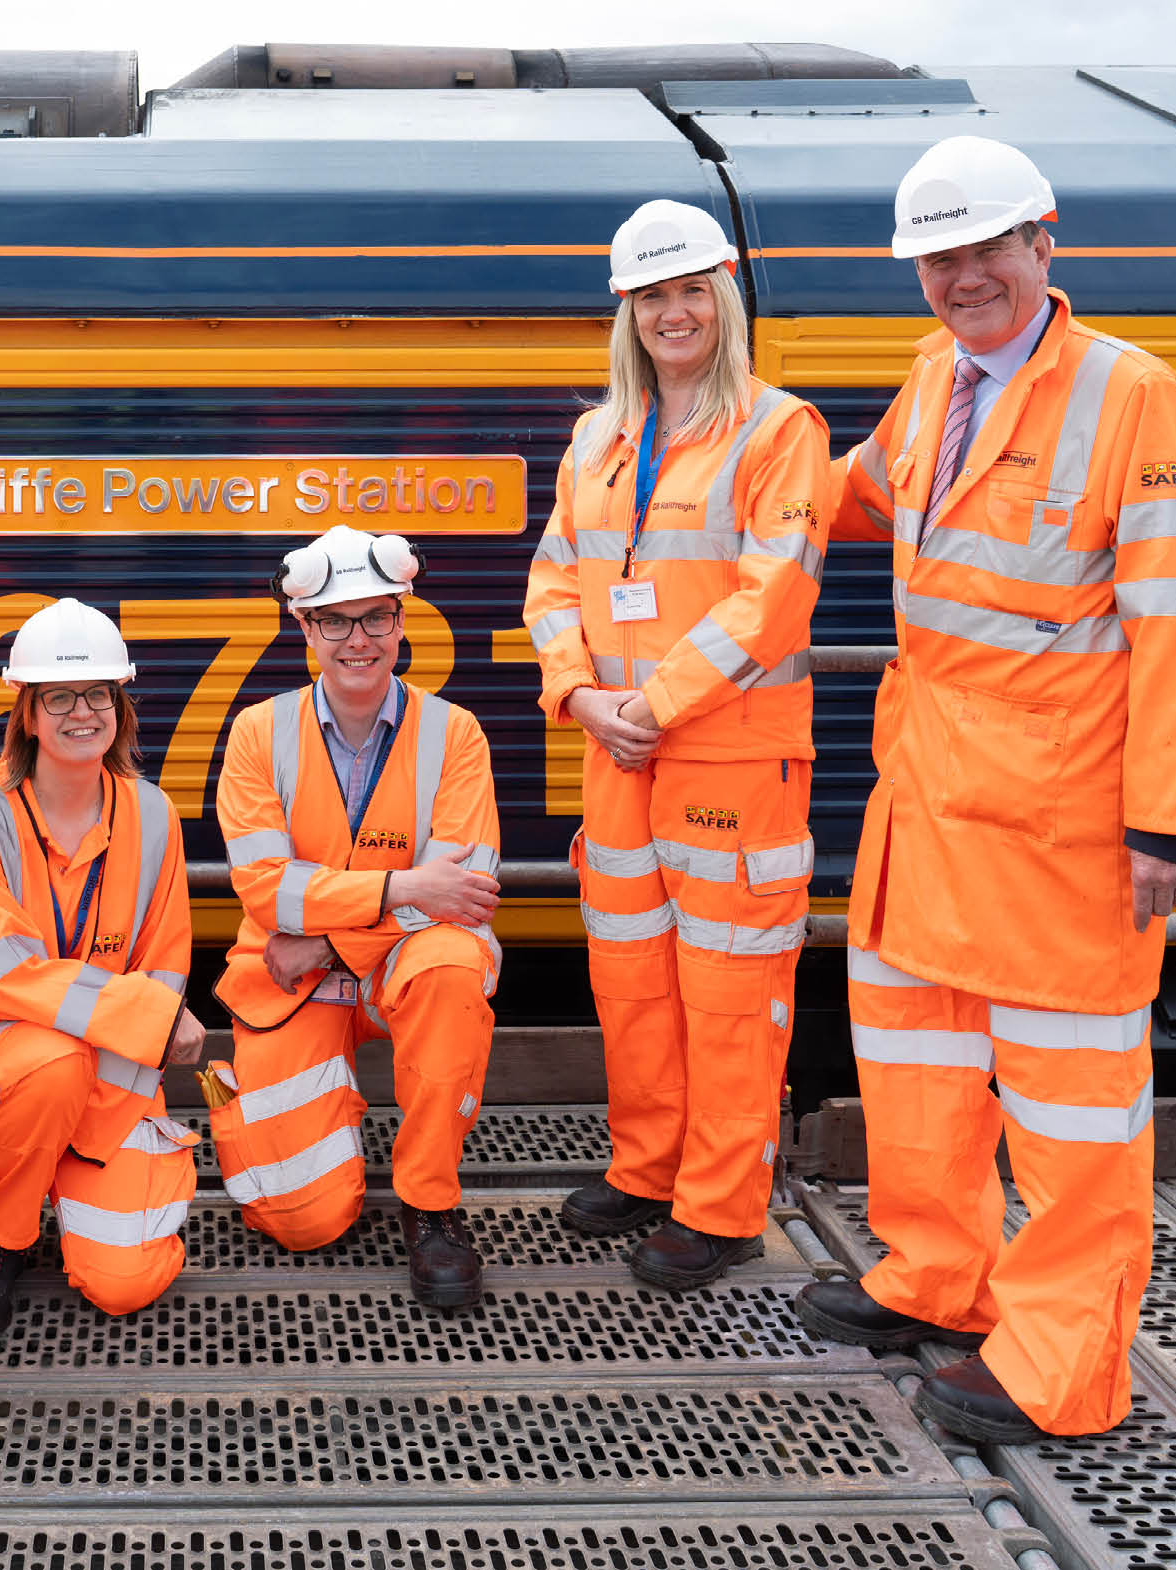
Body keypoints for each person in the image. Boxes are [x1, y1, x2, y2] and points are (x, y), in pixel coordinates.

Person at [795, 136, 1176, 1443]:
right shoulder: (937, 376)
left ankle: (1061, 1367)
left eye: (985, 247)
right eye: (939, 257)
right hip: (927, 793)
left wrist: (1170, 815)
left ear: (1046, 239)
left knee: (1071, 1106)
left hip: (1058, 815)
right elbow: (860, 496)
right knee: (918, 1065)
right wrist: (730, 473)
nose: (961, 276)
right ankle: (940, 1276)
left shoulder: (1128, 395)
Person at [521, 200, 829, 1290]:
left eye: (692, 288)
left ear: (725, 296)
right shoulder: (598, 435)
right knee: (635, 979)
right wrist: (577, 694)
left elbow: (773, 596)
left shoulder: (776, 428)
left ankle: (721, 1205)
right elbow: (555, 579)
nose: (674, 311)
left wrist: (652, 701)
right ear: (628, 312)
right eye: (654, 295)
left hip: (729, 756)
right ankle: (648, 1169)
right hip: (615, 752)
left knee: (730, 992)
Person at [208, 526, 502, 1309]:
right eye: (334, 621)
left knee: (453, 962)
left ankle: (431, 1204)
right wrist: (404, 891)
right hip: (295, 981)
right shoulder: (256, 733)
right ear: (303, 629)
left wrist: (327, 935)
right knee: (303, 1220)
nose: (357, 639)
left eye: (375, 617)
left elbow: (462, 893)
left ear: (402, 621)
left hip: (368, 965)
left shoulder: (456, 735)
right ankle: (320, 1132)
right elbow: (267, 893)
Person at [0, 598, 203, 1338]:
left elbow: (164, 966)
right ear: (28, 713)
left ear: (119, 706)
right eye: (59, 696)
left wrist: (101, 1119)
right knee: (51, 1062)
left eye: (99, 693)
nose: (82, 711)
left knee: (122, 1283)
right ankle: (4, 1235)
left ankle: (67, 1173)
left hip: (104, 1075)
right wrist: (145, 1018)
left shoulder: (152, 814)